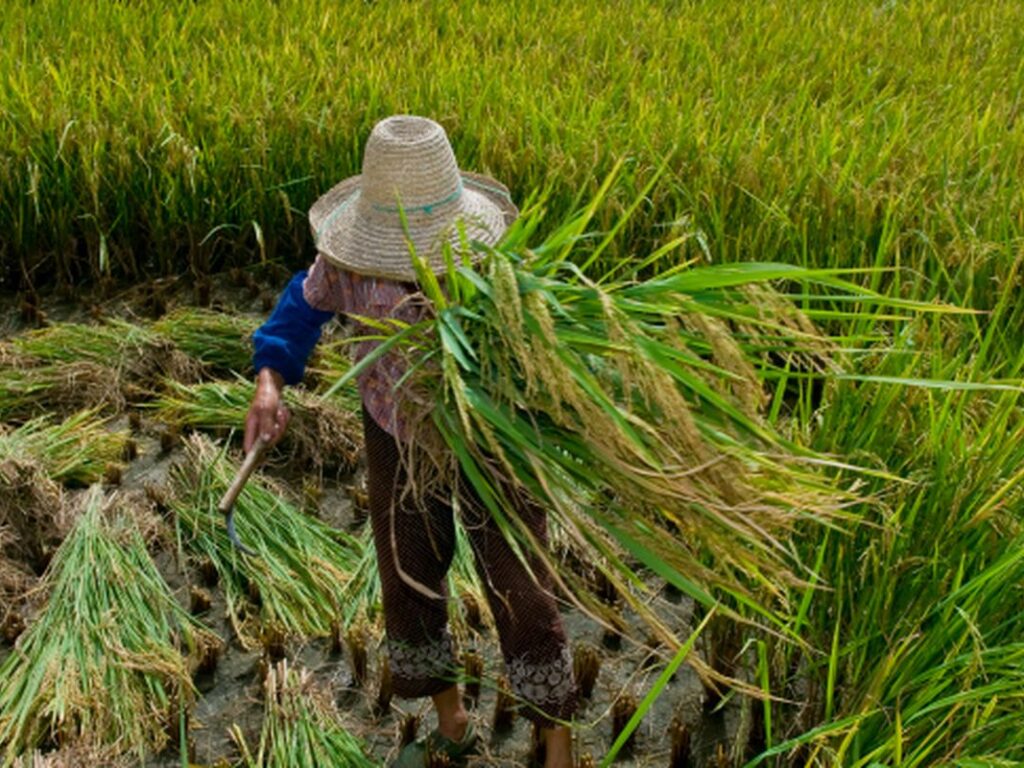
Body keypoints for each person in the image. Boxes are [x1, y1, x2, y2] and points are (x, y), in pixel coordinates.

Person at [244, 115, 577, 768]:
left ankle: (557, 741)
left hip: (489, 433)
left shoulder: (494, 264)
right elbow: (299, 309)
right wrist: (269, 383)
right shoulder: (348, 264)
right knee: (408, 572)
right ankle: (450, 720)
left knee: (520, 585)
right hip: (394, 429)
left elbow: (546, 341)